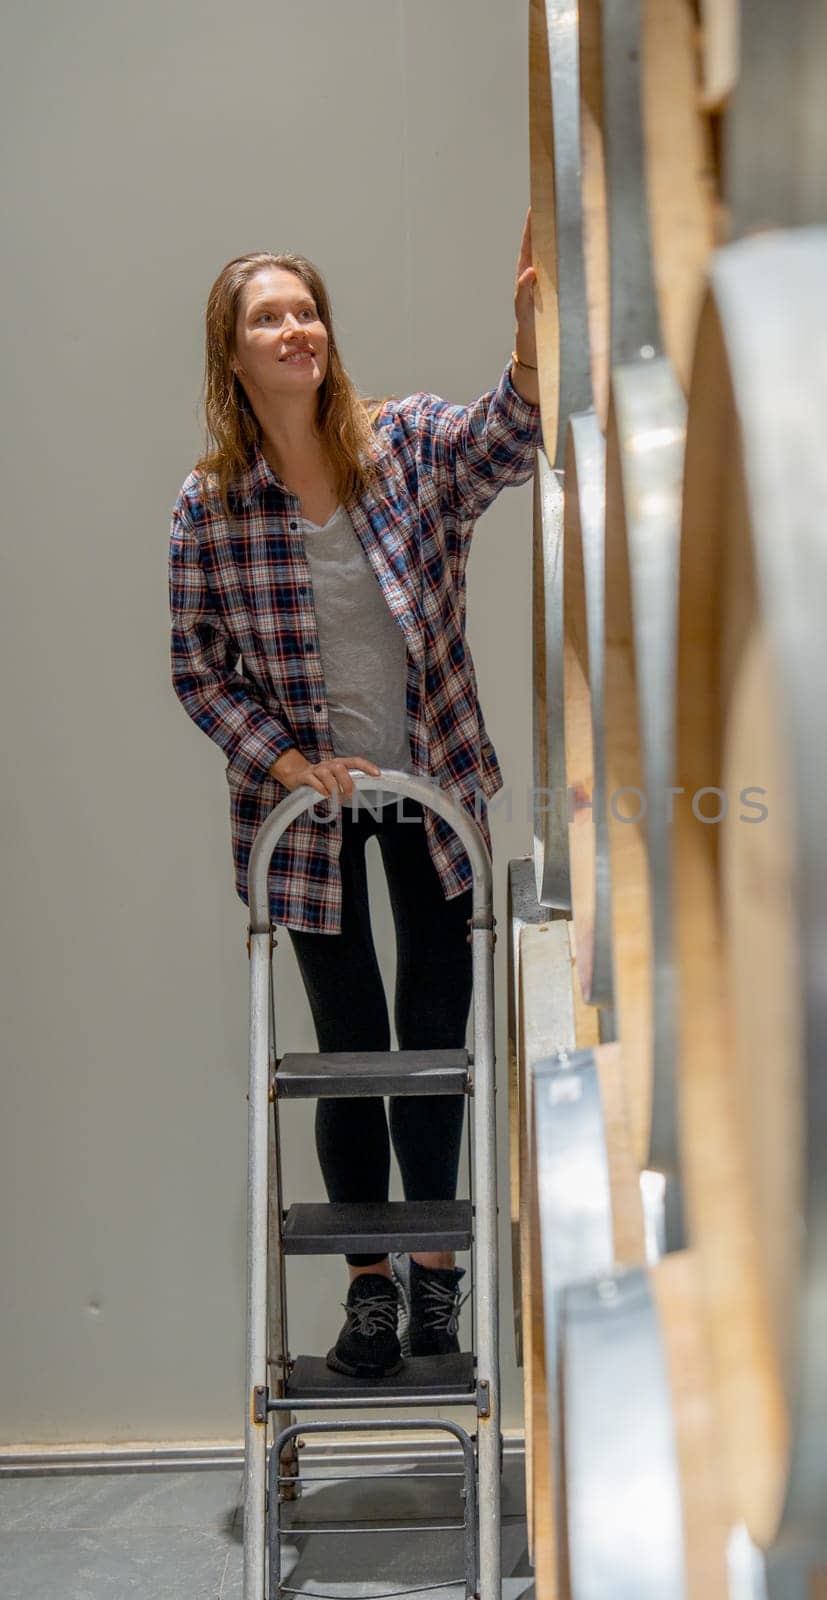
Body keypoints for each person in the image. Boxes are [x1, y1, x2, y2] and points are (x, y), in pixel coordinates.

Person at [168, 213, 541, 1378]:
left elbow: (506, 441)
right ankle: (368, 1290)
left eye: (304, 307)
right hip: (308, 820)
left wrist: (527, 346)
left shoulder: (408, 448)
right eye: (267, 316)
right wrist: (288, 765)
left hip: (433, 793)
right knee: (346, 1049)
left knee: (434, 1042)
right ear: (231, 355)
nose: (295, 328)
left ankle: (437, 1278)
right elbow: (198, 667)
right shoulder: (211, 506)